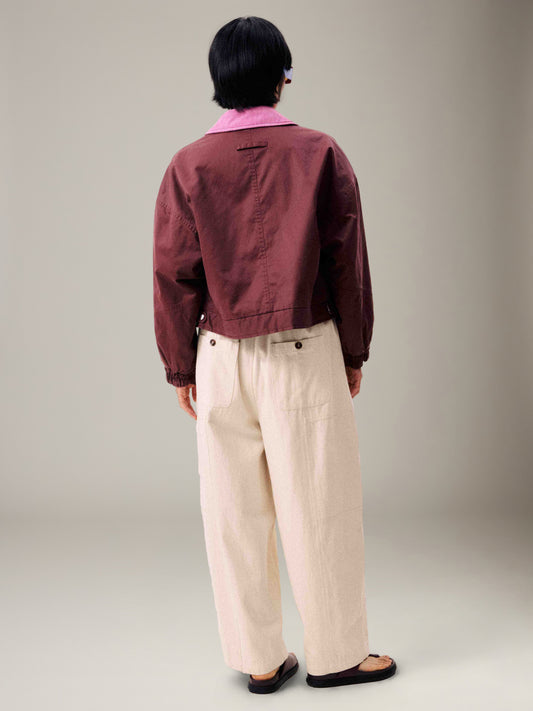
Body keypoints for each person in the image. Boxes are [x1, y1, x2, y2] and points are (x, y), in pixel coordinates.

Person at [152, 15, 396, 694]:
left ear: (218, 80)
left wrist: (180, 365)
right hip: (304, 349)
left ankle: (258, 658)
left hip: (220, 355)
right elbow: (347, 262)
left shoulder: (188, 164)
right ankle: (337, 654)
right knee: (319, 506)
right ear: (282, 77)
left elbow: (173, 273)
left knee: (233, 514)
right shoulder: (319, 153)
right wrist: (354, 349)